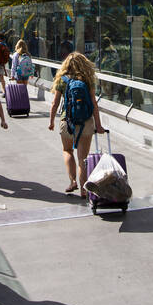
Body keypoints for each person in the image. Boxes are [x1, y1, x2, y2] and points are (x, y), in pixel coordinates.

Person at [48, 52, 106, 198]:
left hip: (66, 121)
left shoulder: (63, 80)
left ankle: (72, 181)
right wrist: (98, 125)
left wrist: (51, 121)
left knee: (67, 150)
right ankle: (83, 190)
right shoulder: (87, 80)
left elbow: (55, 103)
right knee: (83, 158)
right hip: (86, 122)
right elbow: (93, 104)